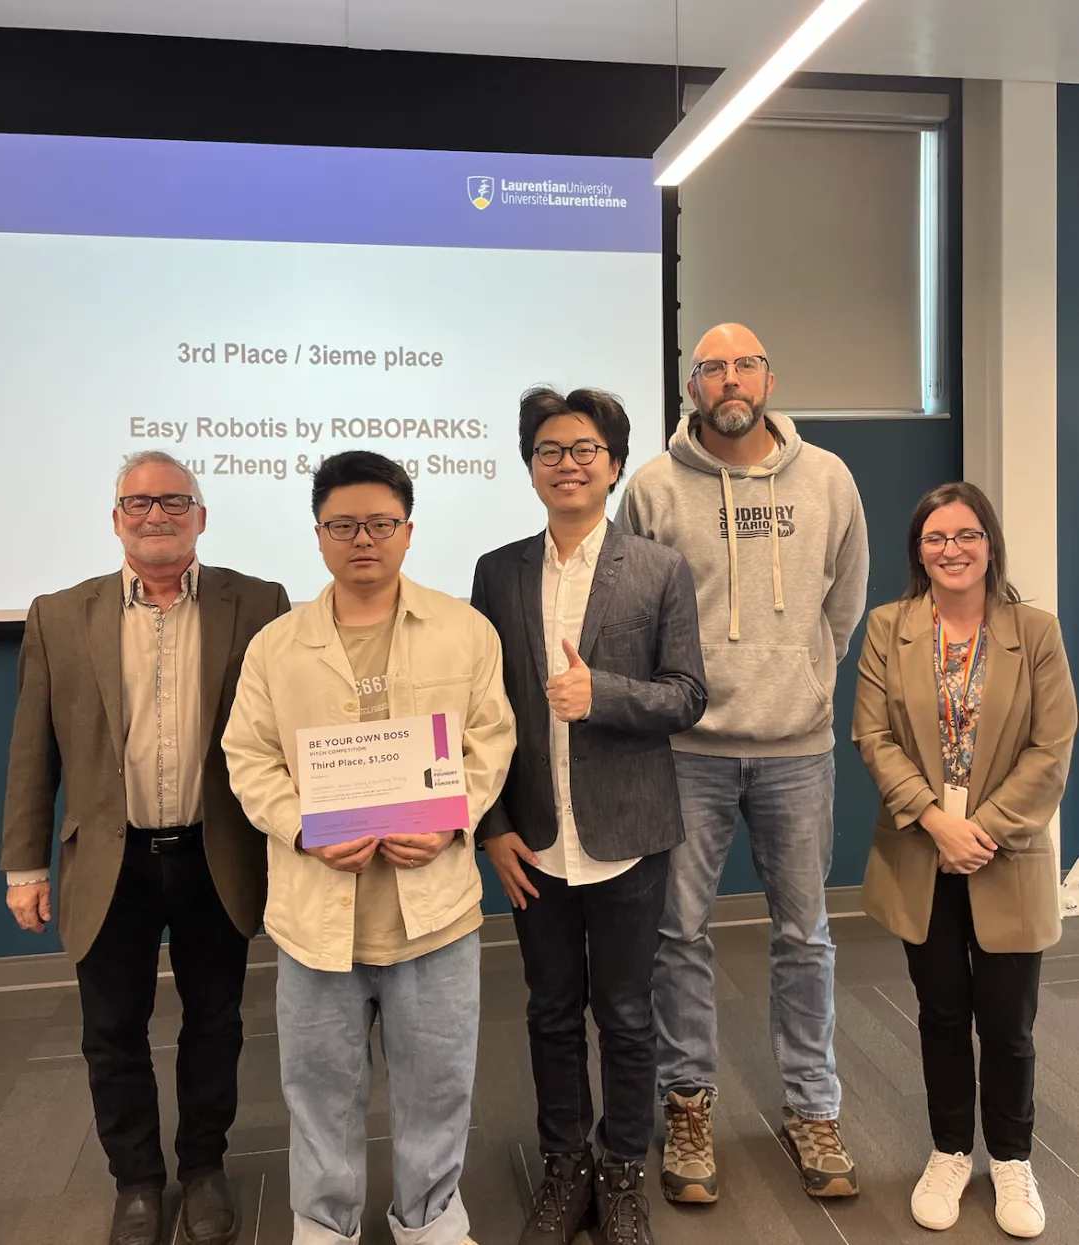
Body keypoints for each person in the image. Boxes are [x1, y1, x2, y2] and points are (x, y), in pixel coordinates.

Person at [222, 450, 515, 1245]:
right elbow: (248, 758)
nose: (363, 539)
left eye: (380, 523)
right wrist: (307, 825)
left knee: (438, 1083)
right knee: (319, 1088)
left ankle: (429, 1219)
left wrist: (453, 817)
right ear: (318, 535)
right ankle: (324, 1224)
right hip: (318, 916)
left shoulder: (464, 630)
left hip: (435, 910)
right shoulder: (276, 647)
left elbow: (491, 737)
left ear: (408, 531)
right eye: (343, 524)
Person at [0, 450, 289, 1245]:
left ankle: (202, 1166)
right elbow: (33, 754)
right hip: (109, 861)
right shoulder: (60, 614)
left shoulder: (258, 602)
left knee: (217, 1021)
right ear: (115, 517)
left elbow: (289, 731)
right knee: (111, 1030)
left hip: (215, 854)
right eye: (138, 502)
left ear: (201, 515)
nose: (155, 515)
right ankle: (136, 1180)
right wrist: (24, 865)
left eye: (173, 501)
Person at [616, 322, 869, 1204]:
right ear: (693, 387)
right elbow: (628, 609)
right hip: (686, 751)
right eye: (713, 366)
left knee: (807, 936)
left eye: (745, 363)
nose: (730, 378)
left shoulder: (829, 478)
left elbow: (845, 599)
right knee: (677, 936)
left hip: (797, 750)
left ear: (770, 376)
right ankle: (688, 1105)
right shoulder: (651, 486)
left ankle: (814, 1106)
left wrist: (798, 678)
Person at [471, 387, 707, 1245]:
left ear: (613, 464)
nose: (565, 463)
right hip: (532, 839)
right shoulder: (497, 571)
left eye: (583, 449)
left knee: (629, 1014)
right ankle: (564, 1165)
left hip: (627, 837)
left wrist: (599, 692)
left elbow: (688, 695)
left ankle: (620, 1171)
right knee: (547, 1010)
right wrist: (491, 825)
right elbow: (481, 708)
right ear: (529, 466)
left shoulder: (657, 567)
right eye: (548, 449)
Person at [853, 481, 1075, 1239]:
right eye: (936, 537)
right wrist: (936, 822)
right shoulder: (889, 626)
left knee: (1009, 1024)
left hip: (1004, 853)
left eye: (966, 534)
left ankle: (1012, 1157)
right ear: (919, 549)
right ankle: (950, 1149)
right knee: (942, 1012)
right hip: (922, 851)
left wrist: (980, 828)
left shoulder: (1034, 630)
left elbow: (1052, 748)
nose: (952, 549)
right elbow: (872, 737)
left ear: (990, 543)